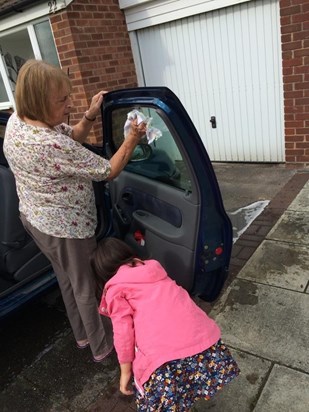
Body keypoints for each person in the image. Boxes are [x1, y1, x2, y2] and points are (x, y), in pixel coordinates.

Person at [3, 59, 146, 362]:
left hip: (36, 218)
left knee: (66, 277)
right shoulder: (47, 143)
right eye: (62, 100)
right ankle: (103, 345)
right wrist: (132, 139)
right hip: (66, 228)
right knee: (85, 285)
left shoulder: (18, 121)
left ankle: (82, 334)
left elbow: (71, 136)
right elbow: (108, 170)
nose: (69, 105)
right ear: (40, 102)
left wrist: (90, 116)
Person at [92, 237, 240, 411]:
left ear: (102, 273)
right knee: (187, 380)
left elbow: (123, 333)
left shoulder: (116, 289)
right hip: (201, 339)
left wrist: (125, 372)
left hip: (163, 356)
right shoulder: (154, 270)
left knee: (166, 396)